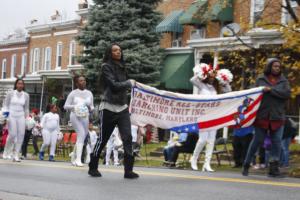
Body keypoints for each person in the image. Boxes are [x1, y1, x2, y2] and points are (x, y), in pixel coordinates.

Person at [88, 44, 138, 179]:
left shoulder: (123, 67)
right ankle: (93, 166)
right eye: (115, 50)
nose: (118, 52)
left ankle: (128, 171)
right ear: (110, 53)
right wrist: (128, 83)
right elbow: (114, 86)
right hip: (108, 107)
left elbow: (124, 86)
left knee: (128, 138)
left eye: (120, 50)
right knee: (103, 139)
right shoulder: (106, 67)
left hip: (122, 107)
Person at [242, 58, 291, 177]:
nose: (277, 68)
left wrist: (270, 90)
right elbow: (254, 93)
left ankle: (273, 170)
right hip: (262, 116)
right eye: (275, 66)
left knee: (277, 143)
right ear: (269, 66)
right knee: (257, 141)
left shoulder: (283, 81)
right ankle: (246, 165)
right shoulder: (260, 79)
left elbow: (286, 94)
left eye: (279, 67)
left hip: (278, 116)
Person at [189, 63, 232, 172]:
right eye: (210, 77)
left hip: (214, 116)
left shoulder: (217, 88)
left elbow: (229, 91)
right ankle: (194, 159)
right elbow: (192, 80)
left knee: (211, 140)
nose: (212, 79)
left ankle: (207, 164)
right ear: (207, 76)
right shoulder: (201, 85)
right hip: (203, 116)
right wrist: (203, 72)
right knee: (203, 140)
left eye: (214, 77)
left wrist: (223, 80)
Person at [64, 75, 94, 167]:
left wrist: (90, 108)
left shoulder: (89, 93)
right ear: (77, 83)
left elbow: (92, 107)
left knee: (82, 137)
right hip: (75, 116)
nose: (83, 82)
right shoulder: (73, 93)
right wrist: (75, 106)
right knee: (81, 134)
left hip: (85, 116)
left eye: (84, 80)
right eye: (81, 81)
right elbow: (65, 106)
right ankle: (78, 160)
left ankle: (74, 155)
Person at [2, 78, 29, 162]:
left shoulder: (26, 95)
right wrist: (5, 116)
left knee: (21, 135)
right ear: (16, 84)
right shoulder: (10, 93)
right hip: (12, 115)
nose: (20, 85)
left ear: (23, 85)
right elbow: (6, 105)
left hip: (21, 115)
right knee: (12, 134)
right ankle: (6, 152)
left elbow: (26, 108)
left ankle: (16, 154)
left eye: (22, 84)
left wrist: (27, 118)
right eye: (19, 83)